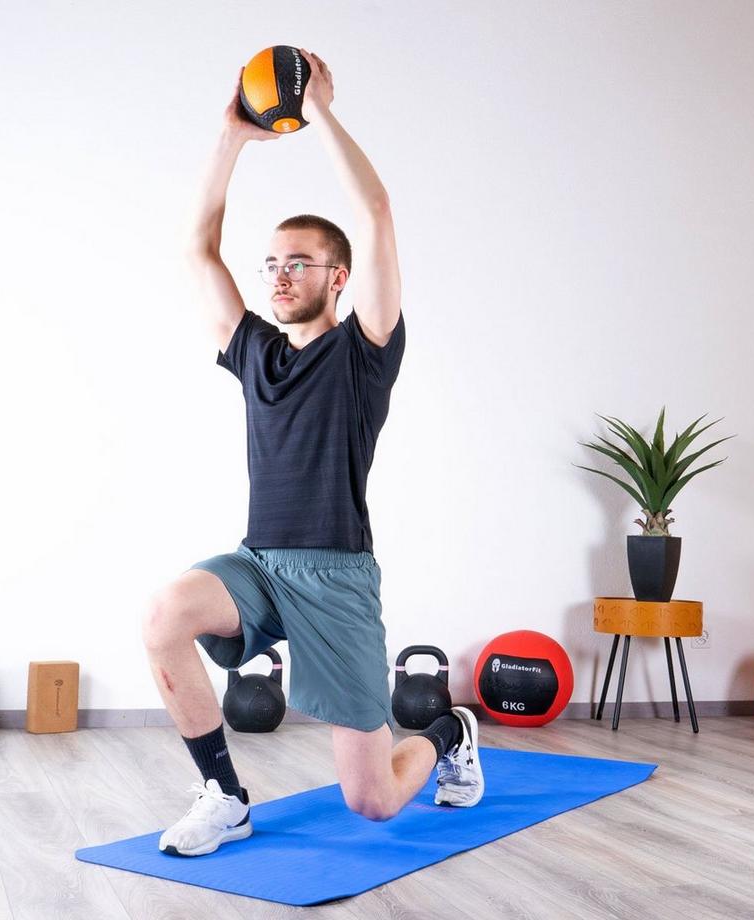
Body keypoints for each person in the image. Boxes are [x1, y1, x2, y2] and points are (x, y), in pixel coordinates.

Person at [142, 48, 484, 858]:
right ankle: (224, 796)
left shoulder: (365, 349)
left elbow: (375, 210)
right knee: (164, 615)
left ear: (339, 280)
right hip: (261, 563)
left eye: (300, 262)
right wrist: (231, 137)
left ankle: (449, 730)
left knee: (371, 801)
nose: (279, 274)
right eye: (272, 262)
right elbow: (197, 249)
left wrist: (320, 110)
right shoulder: (255, 352)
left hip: (336, 576)